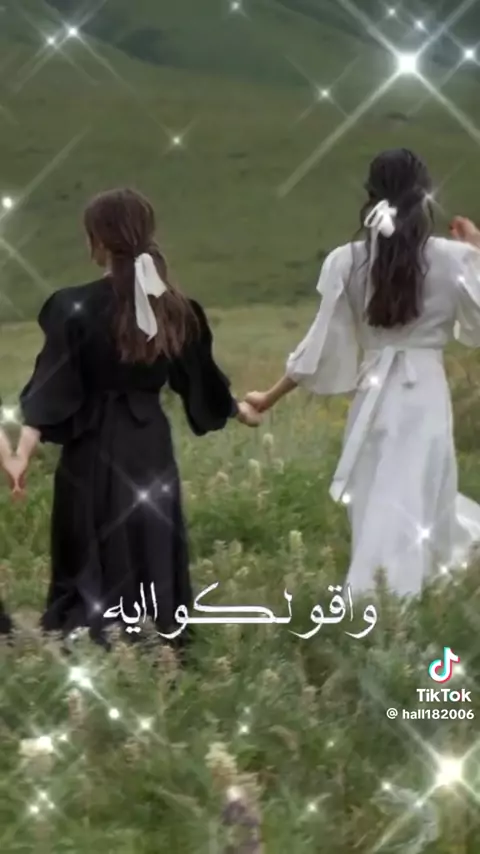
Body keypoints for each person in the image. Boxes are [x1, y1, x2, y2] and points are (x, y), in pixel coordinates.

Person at [8, 188, 261, 648]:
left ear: (99, 240)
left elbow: (50, 389)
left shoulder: (73, 307)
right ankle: (156, 634)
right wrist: (239, 409)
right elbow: (199, 378)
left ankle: (91, 636)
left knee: (91, 534)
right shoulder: (175, 308)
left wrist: (21, 455)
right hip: (149, 445)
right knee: (150, 535)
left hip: (91, 447)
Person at [246, 148, 480, 598]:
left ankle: (381, 597)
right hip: (426, 395)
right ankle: (394, 600)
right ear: (424, 197)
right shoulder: (453, 259)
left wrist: (268, 398)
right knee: (418, 495)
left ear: (370, 197)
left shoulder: (346, 261)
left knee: (379, 498)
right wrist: (476, 247)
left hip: (374, 395)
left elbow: (317, 349)